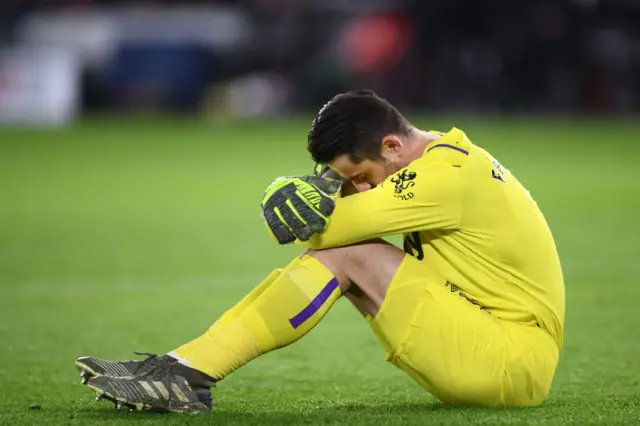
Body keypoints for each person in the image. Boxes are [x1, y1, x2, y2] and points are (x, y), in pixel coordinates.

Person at [76, 90, 565, 414]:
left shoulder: (445, 177)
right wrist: (336, 187)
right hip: (489, 345)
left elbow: (319, 232)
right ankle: (179, 366)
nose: (356, 187)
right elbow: (327, 225)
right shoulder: (444, 162)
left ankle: (187, 374)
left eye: (359, 175)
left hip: (507, 360)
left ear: (392, 146)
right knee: (351, 250)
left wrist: (289, 195)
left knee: (350, 253)